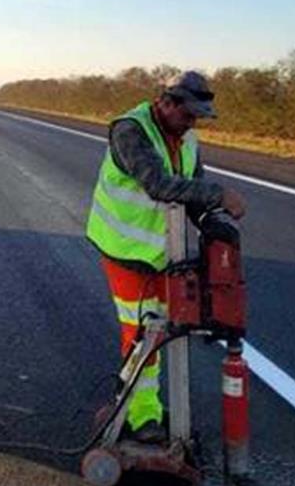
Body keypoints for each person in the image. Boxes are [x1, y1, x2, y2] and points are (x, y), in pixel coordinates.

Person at [85, 71, 246, 443]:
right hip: (124, 249)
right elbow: (158, 185)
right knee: (142, 334)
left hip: (160, 253)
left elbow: (192, 191)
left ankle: (139, 402)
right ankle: (142, 417)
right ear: (166, 102)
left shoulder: (187, 139)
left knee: (159, 329)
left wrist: (211, 224)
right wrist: (220, 194)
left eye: (197, 118)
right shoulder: (130, 131)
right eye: (187, 116)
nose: (192, 125)